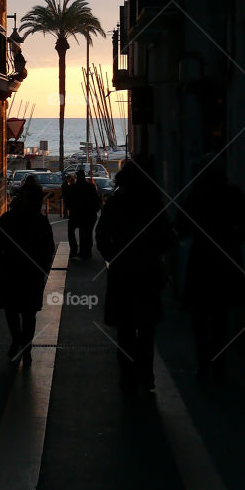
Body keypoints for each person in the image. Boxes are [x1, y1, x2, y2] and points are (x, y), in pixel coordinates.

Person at [95, 159, 175, 393]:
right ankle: (146, 376)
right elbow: (166, 238)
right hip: (148, 272)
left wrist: (114, 256)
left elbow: (101, 236)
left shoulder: (115, 203)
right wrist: (153, 254)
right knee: (147, 328)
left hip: (123, 273)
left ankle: (128, 376)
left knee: (125, 329)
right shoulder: (153, 204)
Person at [177, 160, 245, 381]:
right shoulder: (234, 194)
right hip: (226, 263)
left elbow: (182, 228)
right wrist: (231, 241)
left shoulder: (196, 196)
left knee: (199, 317)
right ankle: (219, 365)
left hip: (201, 263)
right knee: (221, 318)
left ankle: (203, 363)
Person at [0, 174, 56, 367]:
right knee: (29, 314)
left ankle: (16, 340)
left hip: (10, 271)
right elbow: (48, 248)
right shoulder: (40, 221)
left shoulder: (7, 218)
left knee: (11, 310)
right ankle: (26, 347)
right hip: (32, 273)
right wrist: (43, 268)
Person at [68, 166, 101, 260]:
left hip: (76, 214)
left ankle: (74, 250)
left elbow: (69, 201)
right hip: (89, 214)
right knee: (87, 232)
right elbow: (96, 200)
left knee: (71, 231)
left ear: (77, 178)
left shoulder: (73, 187)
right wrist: (95, 211)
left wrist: (71, 209)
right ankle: (86, 251)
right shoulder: (90, 187)